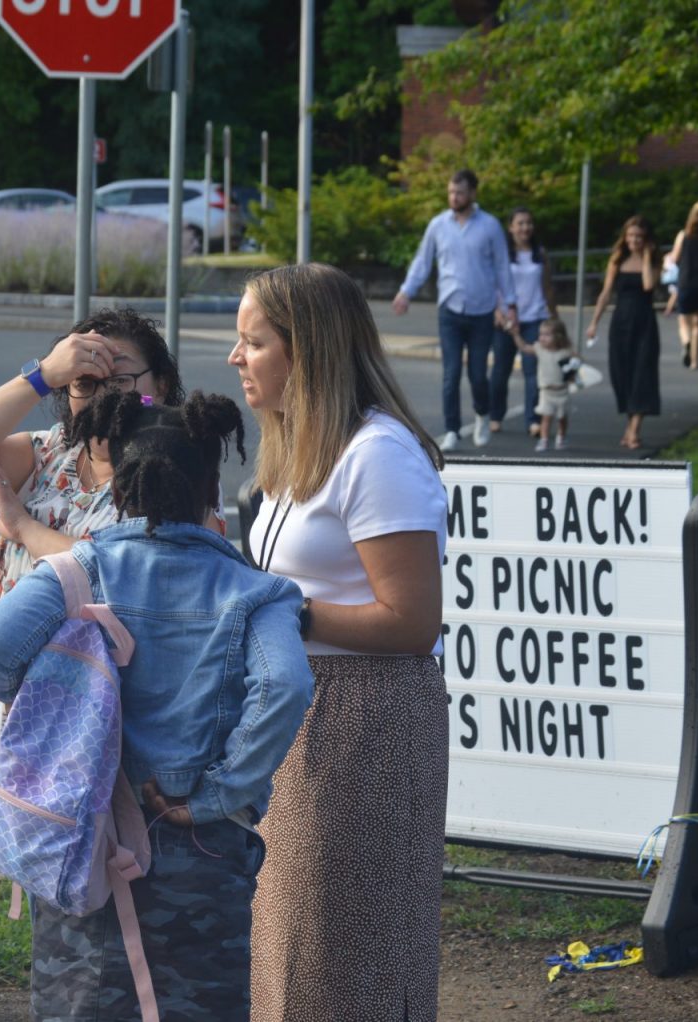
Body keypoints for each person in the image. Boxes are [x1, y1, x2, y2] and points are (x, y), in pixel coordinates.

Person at [0, 390, 315, 1022]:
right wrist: (218, 793)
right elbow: (285, 687)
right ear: (212, 486)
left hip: (87, 841)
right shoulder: (258, 593)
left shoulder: (79, 571)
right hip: (201, 849)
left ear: (119, 487)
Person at [233, 264, 449, 1022]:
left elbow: (413, 622)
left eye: (253, 342)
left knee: (339, 956)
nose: (236, 358)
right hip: (299, 714)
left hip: (363, 725)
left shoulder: (378, 455)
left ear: (308, 351)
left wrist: (276, 608)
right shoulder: (302, 452)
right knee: (288, 942)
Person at [0, 308, 185, 771]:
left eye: (120, 380)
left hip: (102, 724)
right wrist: (43, 374)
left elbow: (123, 572)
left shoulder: (176, 469)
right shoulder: (51, 452)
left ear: (161, 385)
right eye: (84, 383)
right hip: (20, 712)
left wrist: (27, 530)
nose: (101, 396)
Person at [392, 168, 518, 451]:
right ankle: (452, 429)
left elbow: (502, 267)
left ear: (473, 193)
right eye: (451, 192)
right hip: (449, 309)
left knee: (476, 373)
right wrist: (406, 292)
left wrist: (509, 304)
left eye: (460, 193)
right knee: (450, 375)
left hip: (482, 311)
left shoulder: (490, 226)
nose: (454, 197)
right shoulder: (438, 225)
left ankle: (482, 415)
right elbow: (422, 262)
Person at [588, 216, 661, 450]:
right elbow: (606, 293)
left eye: (639, 236)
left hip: (644, 323)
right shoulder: (617, 260)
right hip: (620, 323)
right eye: (631, 236)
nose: (634, 240)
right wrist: (594, 322)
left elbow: (649, 285)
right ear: (625, 236)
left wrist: (647, 256)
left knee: (642, 374)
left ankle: (634, 431)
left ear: (646, 238)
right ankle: (630, 426)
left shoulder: (655, 261)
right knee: (623, 375)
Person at [488, 206, 556, 437]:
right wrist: (498, 312)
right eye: (520, 223)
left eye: (528, 223)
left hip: (535, 318)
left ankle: (533, 420)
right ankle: (495, 416)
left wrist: (554, 317)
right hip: (506, 320)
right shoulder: (501, 255)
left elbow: (547, 287)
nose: (525, 227)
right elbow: (492, 287)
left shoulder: (540, 253)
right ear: (511, 227)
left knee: (532, 371)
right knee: (500, 370)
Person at [663, 200, 698, 369]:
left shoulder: (683, 235)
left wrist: (669, 257)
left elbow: (675, 258)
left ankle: (686, 342)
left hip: (686, 282)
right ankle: (695, 360)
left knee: (683, 319)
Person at [512, 317, 579, 451]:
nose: (542, 338)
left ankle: (561, 436)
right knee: (546, 417)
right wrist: (515, 334)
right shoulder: (540, 349)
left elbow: (577, 361)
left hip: (562, 391)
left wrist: (574, 367)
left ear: (558, 336)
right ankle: (544, 439)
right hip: (546, 392)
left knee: (562, 417)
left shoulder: (565, 352)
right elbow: (524, 347)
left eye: (547, 335)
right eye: (541, 334)